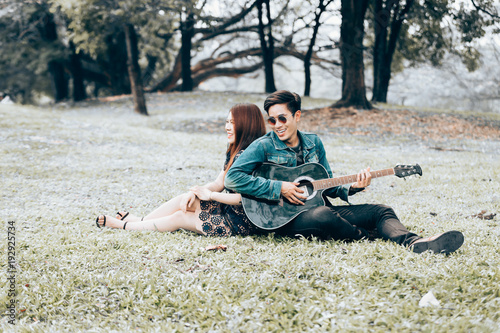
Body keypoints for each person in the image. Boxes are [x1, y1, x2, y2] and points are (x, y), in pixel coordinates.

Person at [224, 90, 464, 254]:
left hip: (318, 208)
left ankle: (415, 242)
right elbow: (233, 177)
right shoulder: (264, 145)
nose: (277, 125)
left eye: (282, 118)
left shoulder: (313, 143)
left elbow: (326, 183)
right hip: (282, 219)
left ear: (297, 116)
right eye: (272, 120)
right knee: (323, 216)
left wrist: (353, 187)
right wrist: (279, 188)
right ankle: (365, 236)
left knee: (381, 211)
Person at [95, 103, 266, 236]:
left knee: (179, 217)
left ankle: (125, 226)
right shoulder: (235, 151)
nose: (227, 127)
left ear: (247, 125)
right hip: (227, 209)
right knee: (184, 200)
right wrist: (197, 192)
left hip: (240, 222)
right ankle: (142, 220)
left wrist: (211, 196)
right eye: (227, 122)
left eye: (233, 123)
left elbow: (246, 199)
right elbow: (219, 182)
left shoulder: (252, 157)